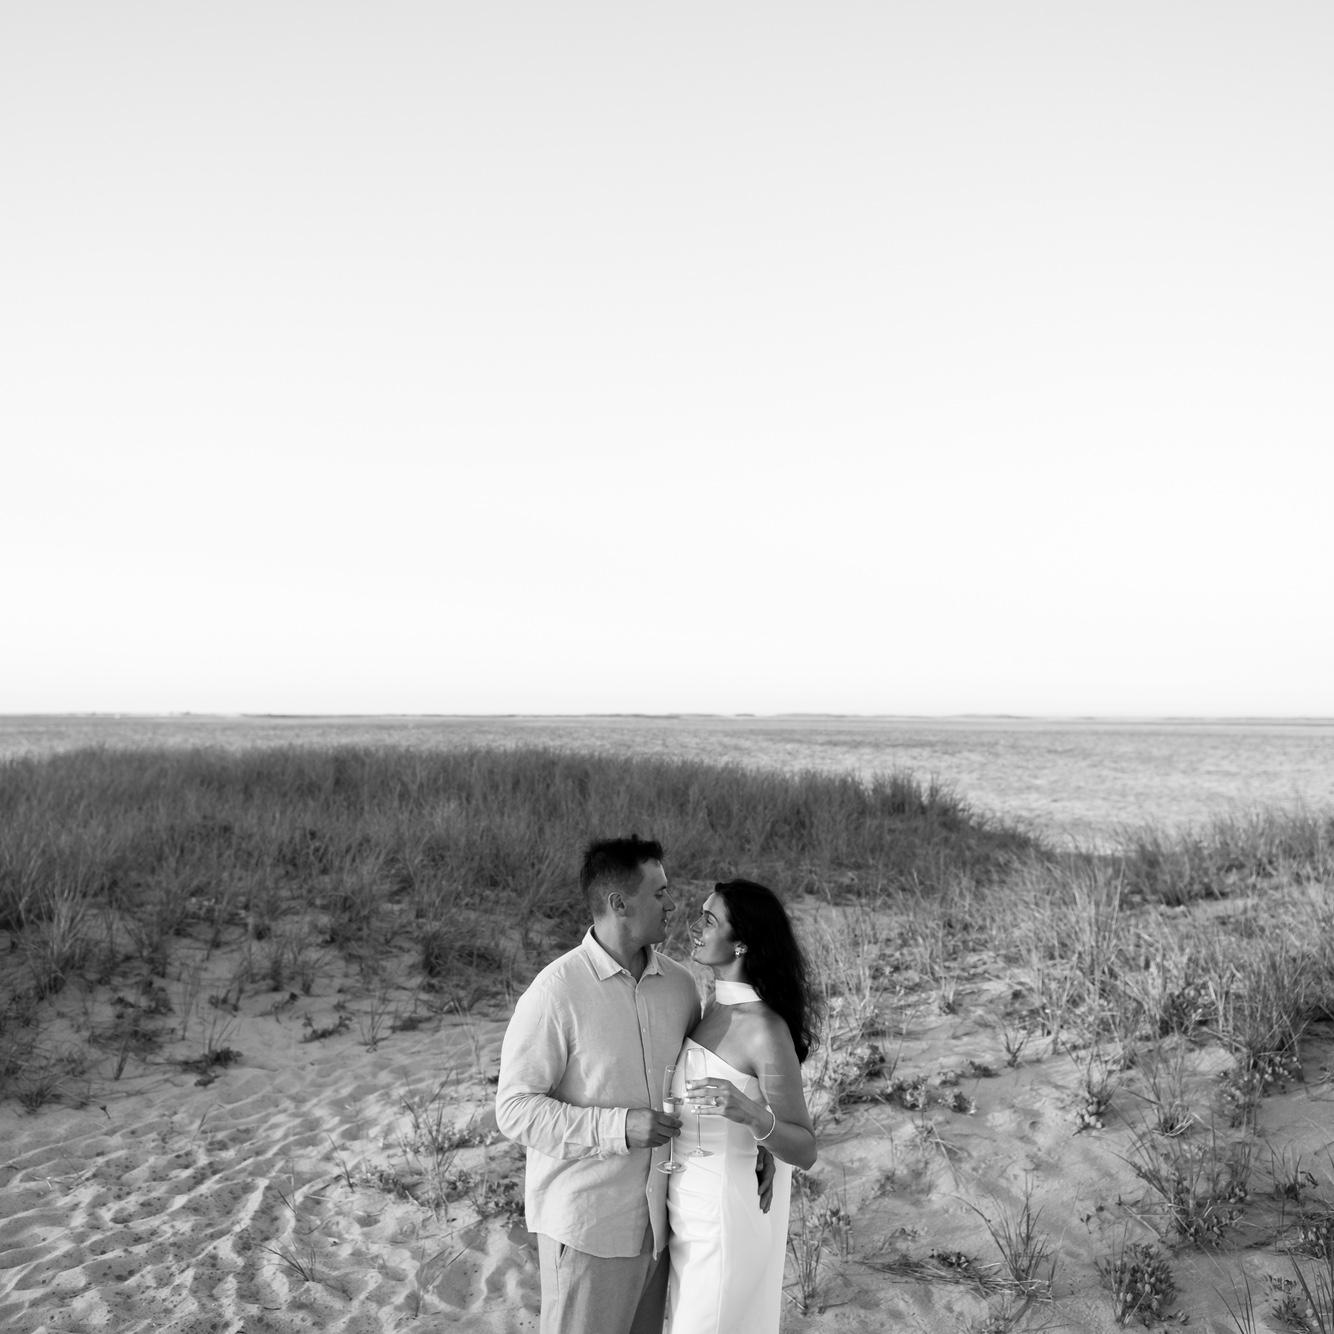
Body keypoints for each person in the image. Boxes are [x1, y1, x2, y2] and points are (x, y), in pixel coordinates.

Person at [495, 836, 698, 1334]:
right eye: (660, 893)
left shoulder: (681, 986)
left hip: (661, 1227)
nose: (672, 904)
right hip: (589, 1228)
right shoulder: (555, 992)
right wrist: (619, 1127)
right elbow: (514, 1109)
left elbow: (702, 1084)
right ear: (618, 903)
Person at [666, 878, 819, 1334]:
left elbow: (805, 1148)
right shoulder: (712, 1007)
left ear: (742, 944)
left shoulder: (764, 1029)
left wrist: (750, 1115)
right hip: (684, 1209)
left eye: (709, 920)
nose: (695, 927)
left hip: (723, 1219)